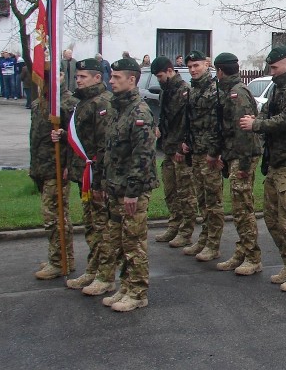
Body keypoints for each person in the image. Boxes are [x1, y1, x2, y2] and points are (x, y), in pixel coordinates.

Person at [239, 46, 286, 292]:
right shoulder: (278, 88)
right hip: (276, 162)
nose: (271, 71)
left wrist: (257, 124)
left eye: (274, 67)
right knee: (273, 220)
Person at [93, 58, 158, 312]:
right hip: (115, 186)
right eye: (111, 76)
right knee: (120, 240)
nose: (111, 81)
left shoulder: (139, 112)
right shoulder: (117, 109)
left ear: (132, 80)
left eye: (117, 77)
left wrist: (133, 192)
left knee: (134, 242)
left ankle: (138, 292)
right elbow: (109, 151)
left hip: (133, 190)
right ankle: (126, 285)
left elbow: (142, 156)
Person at [53, 58, 115, 294]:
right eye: (77, 77)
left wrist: (99, 180)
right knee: (91, 226)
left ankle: (105, 275)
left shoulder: (102, 103)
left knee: (102, 227)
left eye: (82, 77)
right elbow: (79, 139)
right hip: (84, 174)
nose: (77, 80)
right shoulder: (83, 103)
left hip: (96, 176)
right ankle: (93, 269)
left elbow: (102, 147)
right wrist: (71, 165)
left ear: (97, 78)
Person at [212, 52, 264, 276]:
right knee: (238, 208)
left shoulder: (236, 94)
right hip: (235, 155)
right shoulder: (231, 91)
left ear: (220, 71)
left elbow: (245, 130)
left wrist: (243, 164)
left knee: (243, 209)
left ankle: (252, 256)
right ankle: (242, 251)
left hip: (243, 156)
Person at [30, 69, 77, 280]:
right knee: (56, 216)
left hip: (57, 167)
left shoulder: (66, 103)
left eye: (55, 75)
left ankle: (59, 261)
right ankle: (62, 256)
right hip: (42, 166)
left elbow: (74, 138)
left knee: (55, 217)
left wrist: (67, 165)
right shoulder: (39, 103)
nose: (49, 80)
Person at [150, 57, 198, 248]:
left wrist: (182, 146)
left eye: (160, 75)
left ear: (170, 71)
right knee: (170, 191)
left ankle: (186, 231)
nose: (159, 80)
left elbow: (188, 122)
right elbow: (166, 117)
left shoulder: (184, 91)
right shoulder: (166, 92)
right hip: (168, 147)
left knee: (185, 193)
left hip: (180, 150)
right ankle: (174, 224)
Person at [182, 50, 225, 262]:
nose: (193, 70)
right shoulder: (192, 90)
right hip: (197, 151)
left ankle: (213, 243)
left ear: (206, 65)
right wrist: (186, 141)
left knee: (213, 201)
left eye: (196, 66)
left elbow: (220, 124)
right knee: (201, 198)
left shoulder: (215, 89)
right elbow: (190, 121)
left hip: (210, 154)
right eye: (190, 67)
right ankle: (204, 237)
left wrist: (215, 152)